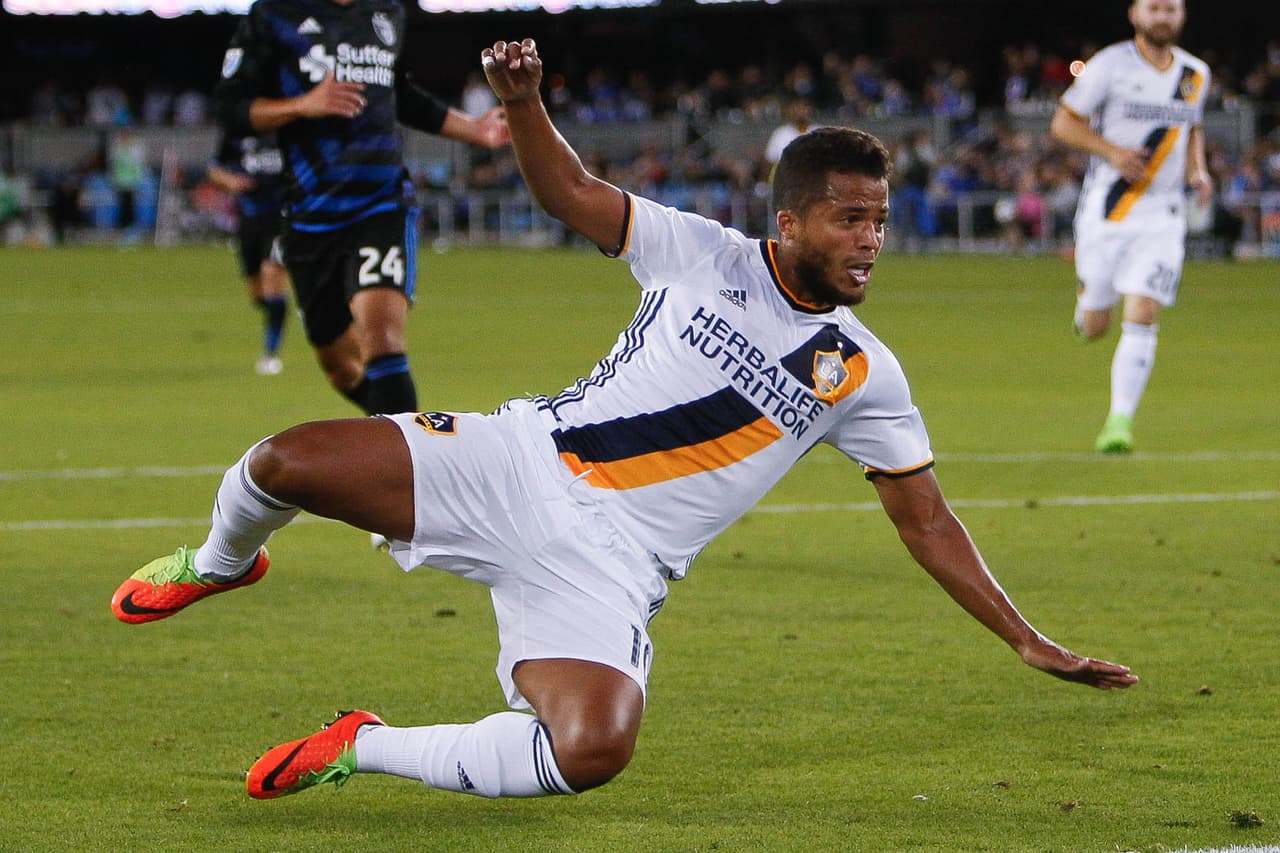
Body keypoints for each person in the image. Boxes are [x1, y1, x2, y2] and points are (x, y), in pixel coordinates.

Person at [112, 39, 1138, 804]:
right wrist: (523, 104)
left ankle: (361, 742)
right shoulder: (701, 251)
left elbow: (926, 523)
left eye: (877, 217)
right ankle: (217, 561)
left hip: (611, 564)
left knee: (590, 751)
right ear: (787, 220)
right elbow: (569, 190)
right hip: (517, 462)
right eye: (847, 217)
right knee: (281, 461)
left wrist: (1024, 639)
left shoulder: (863, 373)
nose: (870, 238)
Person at [211, 0, 510, 415]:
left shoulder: (386, 11)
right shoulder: (274, 15)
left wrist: (473, 129)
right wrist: (304, 104)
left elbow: (397, 93)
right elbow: (229, 108)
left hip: (380, 203)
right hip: (310, 217)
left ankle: (409, 471)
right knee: (341, 367)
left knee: (382, 337)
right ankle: (394, 438)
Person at [1050, 0, 1212, 453]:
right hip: (1108, 212)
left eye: (1172, 9)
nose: (1163, 16)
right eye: (1154, 8)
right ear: (1134, 14)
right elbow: (1063, 123)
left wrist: (1198, 170)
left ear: (1182, 16)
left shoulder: (1194, 74)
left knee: (1142, 313)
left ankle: (1118, 423)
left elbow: (1191, 127)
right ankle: (1087, 308)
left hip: (1163, 217)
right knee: (1098, 324)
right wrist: (1113, 152)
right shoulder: (1109, 65)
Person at [207, 132, 291, 376]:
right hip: (249, 221)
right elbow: (214, 169)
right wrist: (230, 181)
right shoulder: (236, 133)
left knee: (272, 274)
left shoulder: (289, 130)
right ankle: (281, 311)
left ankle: (270, 353)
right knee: (257, 292)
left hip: (281, 218)